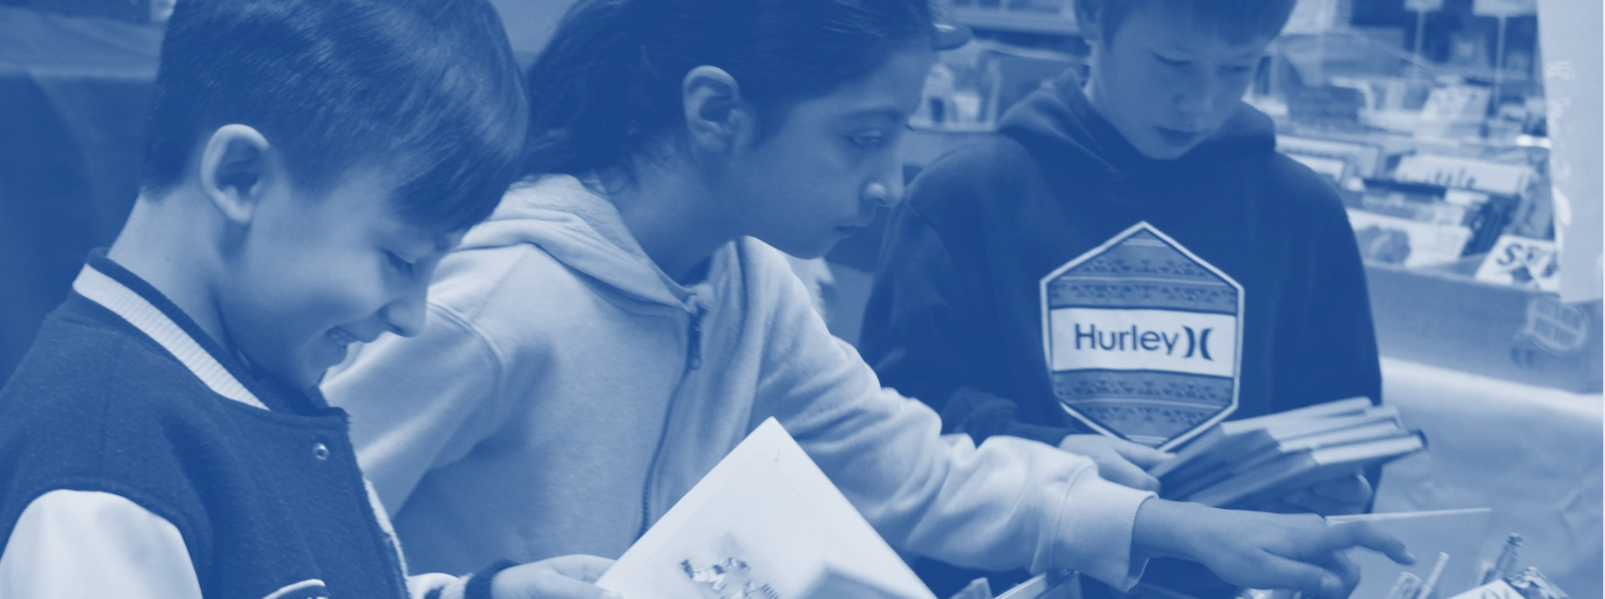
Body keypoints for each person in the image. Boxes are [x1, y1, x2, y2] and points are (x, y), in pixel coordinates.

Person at [321, 0, 1410, 597]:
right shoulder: (501, 298)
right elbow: (283, 550)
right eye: (862, 137)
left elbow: (918, 472)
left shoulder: (751, 284)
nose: (889, 181)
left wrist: (1180, 528)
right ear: (716, 112)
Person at [0, 0, 616, 597]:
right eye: (401, 259)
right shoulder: (107, 468)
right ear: (242, 176)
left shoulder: (258, 378)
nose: (412, 315)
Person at [859, 0, 1384, 594]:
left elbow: (1342, 412)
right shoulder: (964, 198)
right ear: (1091, 19)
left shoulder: (1302, 212)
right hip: (1014, 576)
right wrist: (1053, 450)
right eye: (1173, 62)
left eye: (1239, 68)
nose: (1201, 101)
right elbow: (896, 421)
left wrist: (1334, 486)